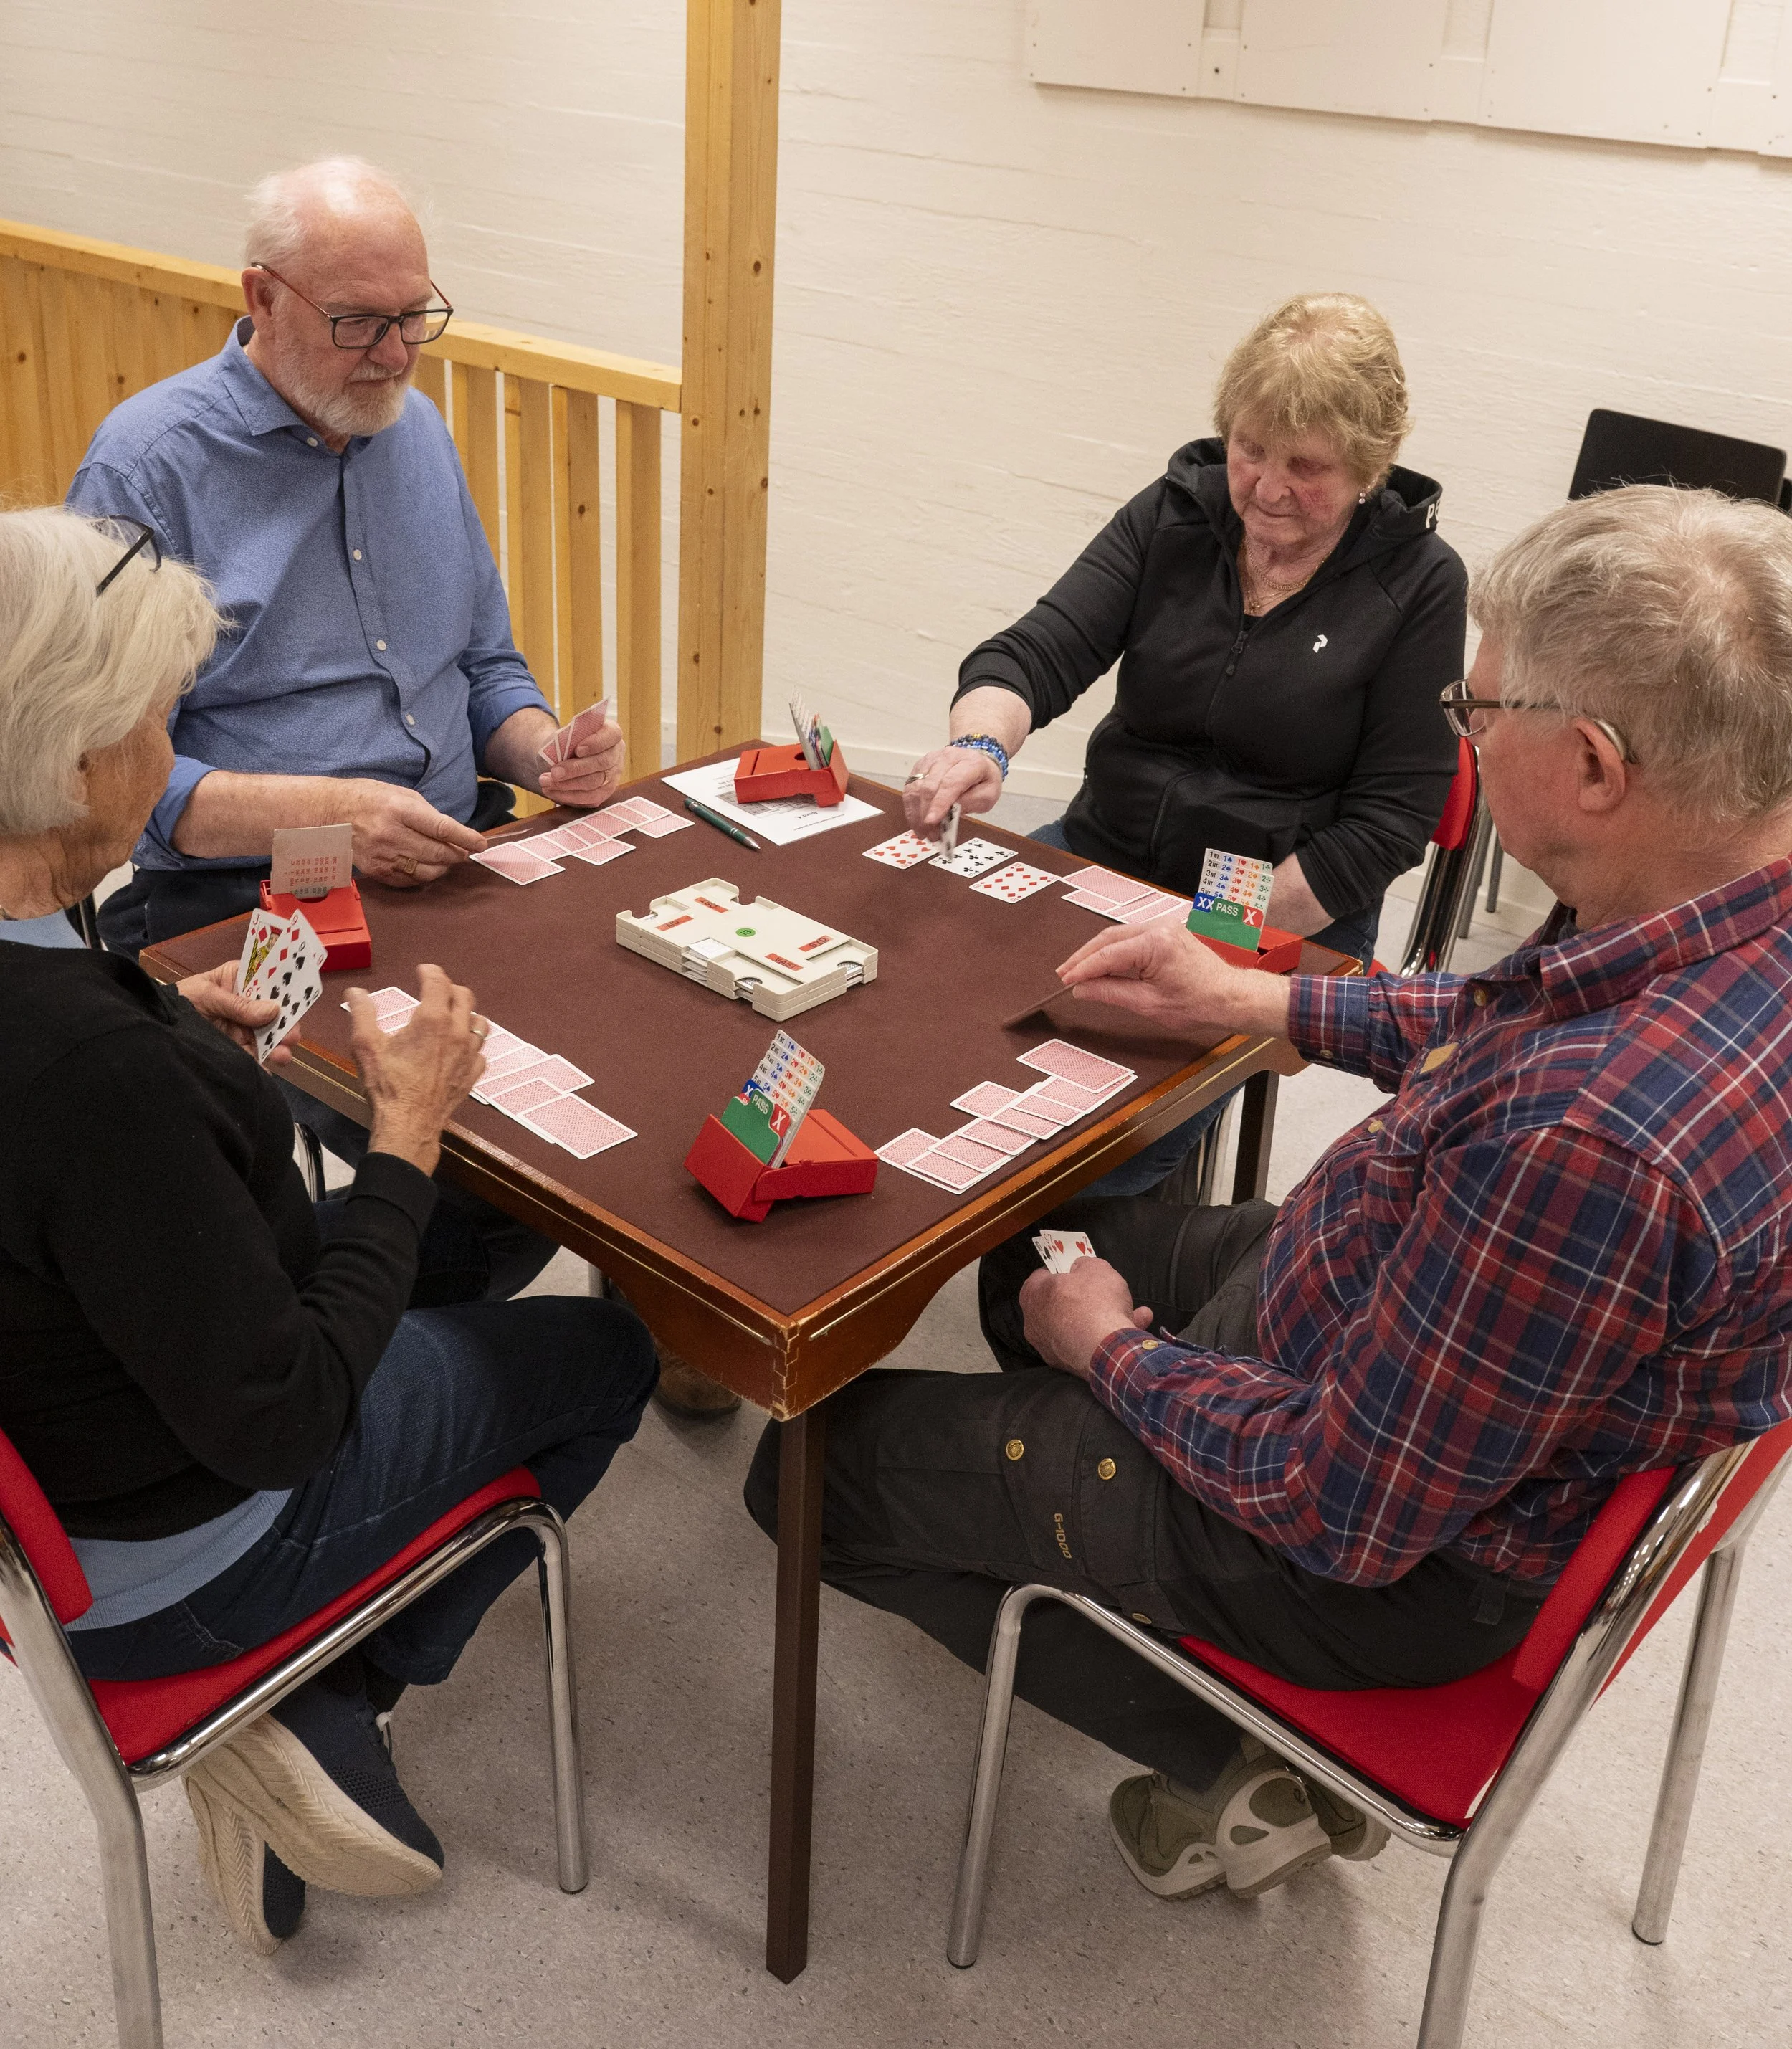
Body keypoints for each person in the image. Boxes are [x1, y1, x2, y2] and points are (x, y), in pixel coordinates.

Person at [751, 484, 1792, 1905]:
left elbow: (1338, 1509)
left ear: (1594, 763)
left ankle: (1234, 1753)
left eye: (1478, 711)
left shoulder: (1594, 1142)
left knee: (803, 1464)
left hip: (1373, 1555)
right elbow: (1500, 1013)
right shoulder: (1709, 907)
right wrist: (1254, 999)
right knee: (1016, 1255)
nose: (1458, 732)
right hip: (1392, 1315)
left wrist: (1112, 1351)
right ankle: (1080, 1517)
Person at [0, 505, 657, 1954]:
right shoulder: (95, 1081)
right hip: (176, 1556)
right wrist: (409, 1135)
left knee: (436, 1267)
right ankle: (328, 1686)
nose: (172, 756)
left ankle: (315, 1690)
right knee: (607, 1348)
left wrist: (168, 1023)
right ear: (66, 767)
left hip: (62, 1470)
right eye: (158, 722)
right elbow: (284, 1412)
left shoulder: (72, 1001)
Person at [69, 156, 625, 1305]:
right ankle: (380, 1359)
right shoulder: (148, 462)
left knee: (636, 1051)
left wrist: (540, 750)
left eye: (414, 317)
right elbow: (122, 782)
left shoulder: (412, 428)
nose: (395, 355)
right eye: (359, 322)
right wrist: (334, 815)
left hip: (451, 852)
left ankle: (540, 1306)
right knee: (462, 1145)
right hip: (248, 896)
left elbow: (485, 669)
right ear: (261, 297)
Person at [905, 292, 1465, 1193]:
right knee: (925, 1016)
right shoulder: (1175, 514)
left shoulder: (1421, 583)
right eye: (1250, 449)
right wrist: (983, 744)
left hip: (1279, 907)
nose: (1268, 488)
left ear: (1371, 465)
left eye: (1306, 465)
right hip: (1107, 854)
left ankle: (1091, 1294)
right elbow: (1036, 649)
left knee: (1092, 1146)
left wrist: (1204, 931)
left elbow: (1388, 824)